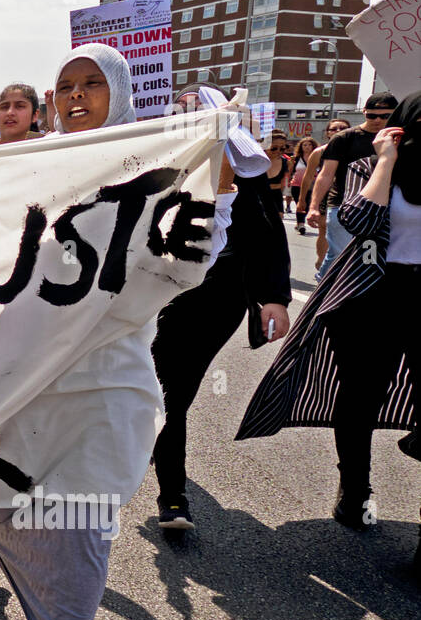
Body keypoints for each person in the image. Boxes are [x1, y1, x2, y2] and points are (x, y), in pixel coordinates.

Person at [0, 43, 184, 620]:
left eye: (92, 84)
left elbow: (185, 266)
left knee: (82, 529)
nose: (76, 96)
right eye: (65, 87)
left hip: (105, 389)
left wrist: (229, 189)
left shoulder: (163, 175)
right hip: (22, 381)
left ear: (119, 91)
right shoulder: (27, 170)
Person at [238, 92, 421, 576]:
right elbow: (359, 220)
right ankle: (354, 492)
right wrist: (386, 160)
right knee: (359, 399)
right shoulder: (372, 168)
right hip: (369, 297)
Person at [150, 85, 292, 529]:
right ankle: (166, 482)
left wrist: (275, 298)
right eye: (183, 109)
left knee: (176, 391)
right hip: (158, 293)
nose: (191, 115)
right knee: (157, 386)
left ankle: (168, 480)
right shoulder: (156, 165)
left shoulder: (245, 173)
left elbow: (268, 235)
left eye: (199, 109)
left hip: (218, 298)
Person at [306, 94, 398, 282]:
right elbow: (325, 174)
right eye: (372, 116)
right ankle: (325, 290)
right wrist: (313, 207)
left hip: (383, 209)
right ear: (364, 113)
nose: (378, 120)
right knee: (340, 254)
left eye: (385, 116)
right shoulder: (344, 138)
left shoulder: (399, 138)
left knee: (369, 257)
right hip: (344, 205)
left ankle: (358, 293)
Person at [298, 119, 352, 270]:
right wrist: (302, 200)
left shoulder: (356, 148)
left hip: (352, 193)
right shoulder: (319, 152)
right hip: (326, 194)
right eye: (334, 129)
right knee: (324, 230)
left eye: (343, 128)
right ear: (327, 133)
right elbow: (308, 177)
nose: (338, 131)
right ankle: (322, 264)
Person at [291, 136, 318, 234]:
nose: (307, 147)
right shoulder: (297, 158)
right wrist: (289, 180)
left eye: (309, 145)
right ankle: (301, 224)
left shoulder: (317, 157)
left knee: (307, 205)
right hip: (297, 185)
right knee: (300, 204)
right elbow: (291, 170)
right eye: (305, 145)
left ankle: (299, 223)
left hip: (311, 185)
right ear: (301, 147)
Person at [265, 128, 291, 217]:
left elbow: (283, 184)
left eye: (282, 148)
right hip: (257, 197)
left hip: (276, 196)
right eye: (274, 148)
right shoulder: (257, 161)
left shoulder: (285, 162)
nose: (278, 151)